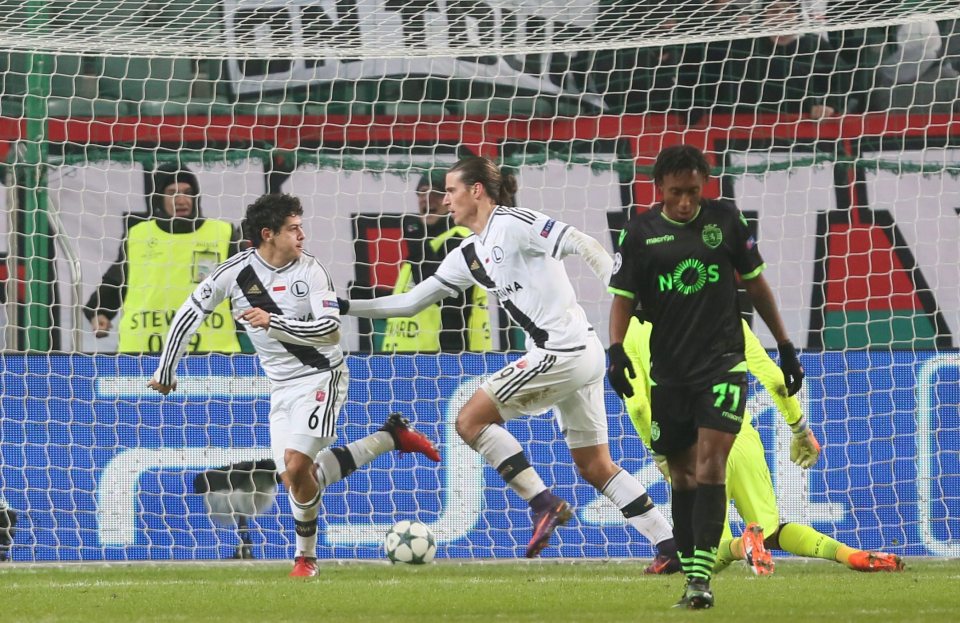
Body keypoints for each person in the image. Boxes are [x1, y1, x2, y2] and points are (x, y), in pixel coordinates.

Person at [340, 156, 678, 561]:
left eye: (451, 190)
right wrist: (343, 306)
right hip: (579, 354)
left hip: (564, 350)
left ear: (476, 190)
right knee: (594, 465)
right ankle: (669, 544)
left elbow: (581, 242)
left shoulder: (514, 223)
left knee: (469, 421)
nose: (445, 200)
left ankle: (542, 503)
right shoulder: (468, 254)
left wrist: (627, 296)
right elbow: (411, 302)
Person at [147, 193, 441, 577]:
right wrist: (167, 369)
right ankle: (390, 437)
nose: (302, 234)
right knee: (294, 477)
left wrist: (274, 322)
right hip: (280, 387)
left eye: (301, 226)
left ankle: (305, 559)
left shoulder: (312, 272)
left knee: (297, 463)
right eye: (293, 228)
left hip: (323, 376)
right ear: (268, 234)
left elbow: (330, 332)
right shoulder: (233, 273)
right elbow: (190, 313)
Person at [606, 144, 804, 609]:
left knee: (710, 464)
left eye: (693, 192)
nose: (685, 203)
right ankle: (695, 572)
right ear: (658, 189)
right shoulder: (639, 235)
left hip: (722, 364)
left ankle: (699, 584)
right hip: (669, 372)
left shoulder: (726, 223)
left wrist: (786, 345)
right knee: (681, 476)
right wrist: (615, 352)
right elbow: (621, 298)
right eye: (676, 193)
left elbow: (755, 283)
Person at [621, 315, 905, 575]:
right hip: (738, 434)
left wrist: (660, 455)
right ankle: (850, 554)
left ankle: (741, 546)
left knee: (701, 557)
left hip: (691, 448)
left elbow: (637, 408)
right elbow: (775, 378)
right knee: (770, 533)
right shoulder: (726, 314)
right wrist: (799, 428)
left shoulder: (634, 330)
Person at [83, 163, 245, 353]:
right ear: (159, 198)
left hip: (211, 353)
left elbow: (244, 284)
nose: (181, 199)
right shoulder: (138, 235)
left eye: (187, 192)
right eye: (172, 192)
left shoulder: (222, 233)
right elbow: (116, 280)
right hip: (144, 353)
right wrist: (100, 311)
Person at [381, 169, 492, 352]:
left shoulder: (460, 240)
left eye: (436, 193)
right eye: (422, 192)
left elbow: (435, 288)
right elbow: (413, 297)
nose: (427, 199)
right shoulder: (429, 242)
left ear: (450, 200)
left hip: (447, 358)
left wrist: (416, 241)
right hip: (406, 358)